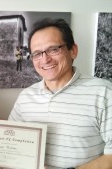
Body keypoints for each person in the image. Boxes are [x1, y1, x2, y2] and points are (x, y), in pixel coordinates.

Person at [8, 18, 112, 169]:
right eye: (37, 53)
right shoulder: (25, 97)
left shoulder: (104, 93)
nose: (45, 59)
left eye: (53, 49)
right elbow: (10, 143)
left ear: (73, 51)